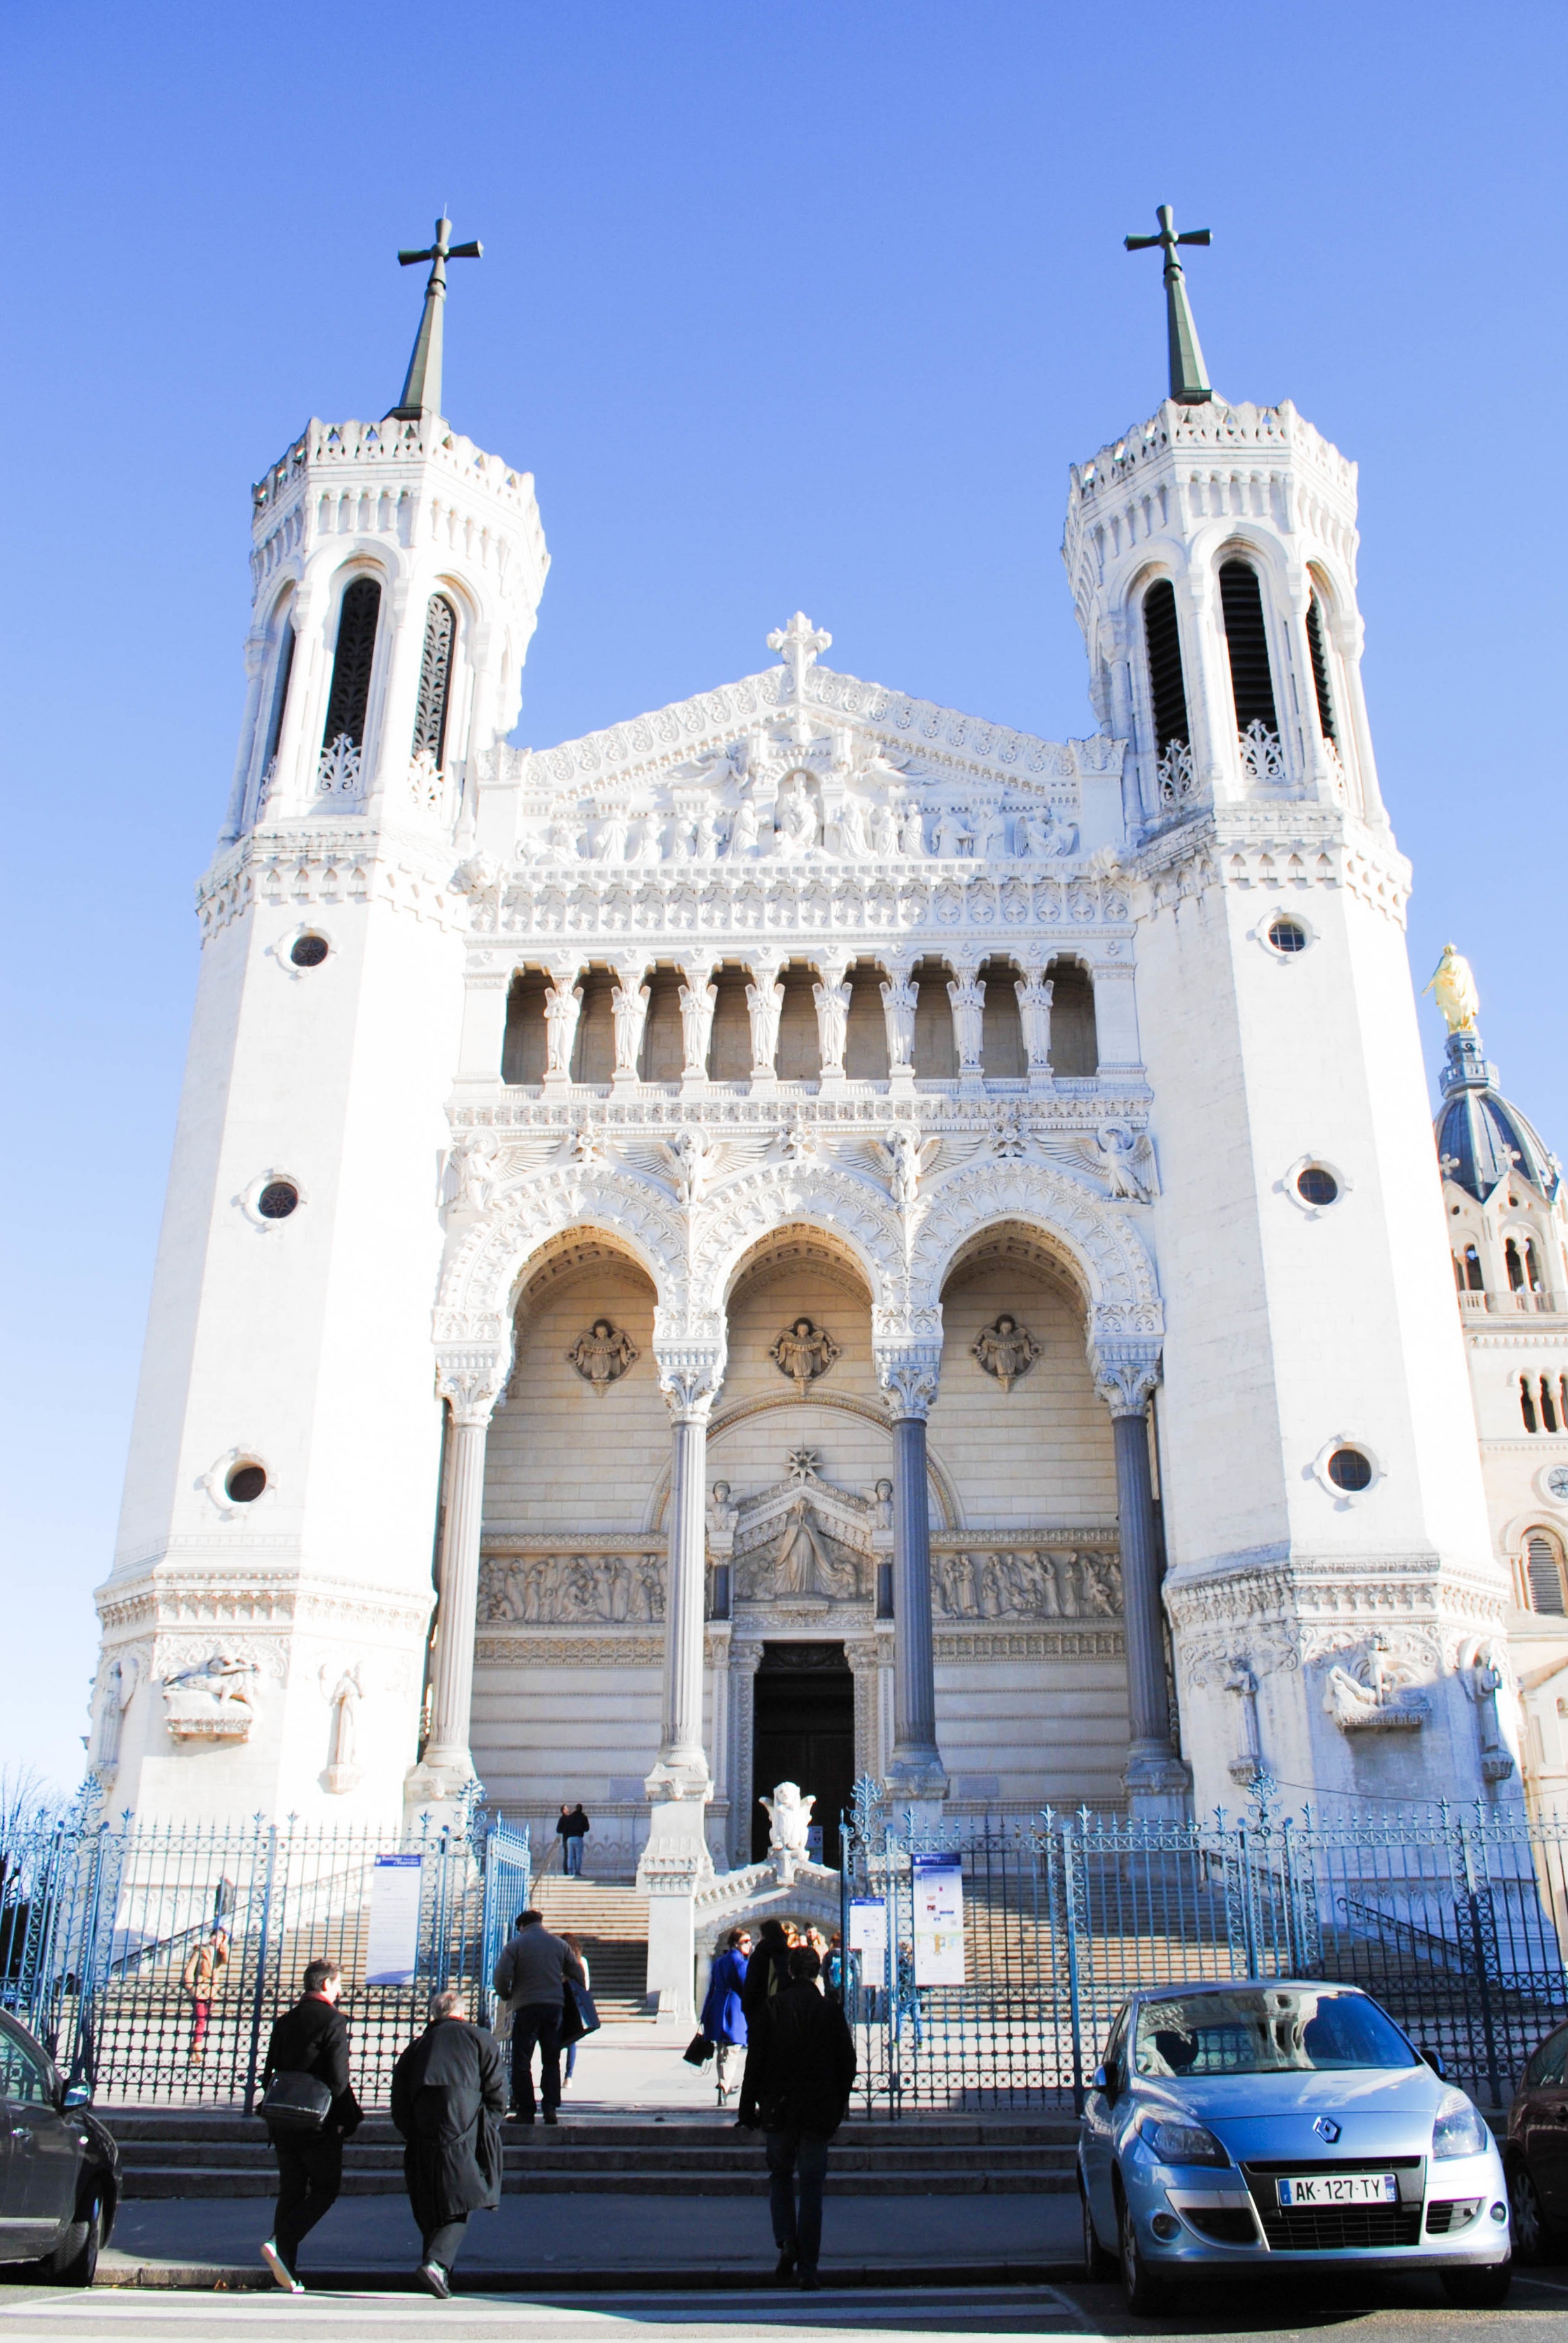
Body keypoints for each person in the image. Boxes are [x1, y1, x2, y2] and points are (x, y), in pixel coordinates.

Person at [747, 1945, 857, 2290]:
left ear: (791, 1972)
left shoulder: (773, 2007)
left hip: (780, 2109)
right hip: (817, 2111)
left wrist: (747, 2106)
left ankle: (786, 2240)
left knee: (780, 2175)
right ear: (818, 1973)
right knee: (812, 2189)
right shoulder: (829, 2010)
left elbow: (756, 2062)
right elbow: (848, 2064)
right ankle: (808, 2266)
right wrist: (839, 2103)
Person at [390, 1985, 507, 2300]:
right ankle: (437, 2264)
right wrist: (486, 2126)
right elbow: (497, 2092)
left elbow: (399, 2102)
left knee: (430, 2201)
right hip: (465, 2128)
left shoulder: (417, 2047)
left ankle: (436, 2267)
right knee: (462, 2199)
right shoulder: (480, 2039)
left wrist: (411, 2130)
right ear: (461, 2013)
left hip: (422, 2132)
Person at [258, 1957, 361, 2294]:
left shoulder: (285, 2021)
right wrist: (350, 2119)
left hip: (283, 2118)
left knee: (291, 2188)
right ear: (326, 1985)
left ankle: (285, 2266)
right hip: (318, 2120)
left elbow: (267, 2073)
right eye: (339, 1984)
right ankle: (282, 2242)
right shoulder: (333, 2021)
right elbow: (338, 2079)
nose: (342, 1990)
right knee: (325, 2188)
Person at [492, 1907, 585, 2124]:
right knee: (551, 2059)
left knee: (522, 2061)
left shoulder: (515, 1946)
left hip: (526, 2007)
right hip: (554, 2008)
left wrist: (506, 1994)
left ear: (522, 1927)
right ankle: (550, 2108)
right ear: (541, 1923)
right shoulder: (559, 1945)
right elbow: (578, 1973)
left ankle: (526, 2110)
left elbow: (502, 1976)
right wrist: (563, 1985)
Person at [700, 1927, 750, 2105]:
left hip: (718, 2006)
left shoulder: (720, 1962)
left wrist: (705, 2015)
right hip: (734, 2009)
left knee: (722, 2050)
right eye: (745, 1942)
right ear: (736, 1943)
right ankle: (724, 2086)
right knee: (731, 2050)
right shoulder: (741, 1963)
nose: (749, 1945)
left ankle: (724, 2083)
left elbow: (711, 1988)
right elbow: (747, 1988)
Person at [181, 1924, 228, 2065]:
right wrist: (191, 1987)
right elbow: (189, 1971)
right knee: (201, 2019)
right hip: (199, 1989)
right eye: (215, 1936)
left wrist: (224, 1944)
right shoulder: (201, 1951)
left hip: (211, 1990)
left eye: (220, 1937)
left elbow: (226, 1960)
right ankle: (197, 2048)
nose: (217, 1939)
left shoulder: (221, 1953)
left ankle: (195, 2045)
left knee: (204, 2019)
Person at [558, 1933, 590, 2093]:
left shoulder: (557, 1961)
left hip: (557, 2003)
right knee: (572, 2041)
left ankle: (553, 2074)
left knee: (553, 2040)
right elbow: (586, 1986)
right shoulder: (581, 1962)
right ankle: (568, 2076)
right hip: (574, 2006)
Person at [556, 1803, 591, 1878]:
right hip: (578, 1838)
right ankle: (577, 1872)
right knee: (578, 1856)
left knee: (570, 1856)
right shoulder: (583, 1817)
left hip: (570, 1839)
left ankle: (570, 1872)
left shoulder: (570, 1817)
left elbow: (566, 1827)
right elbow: (587, 1829)